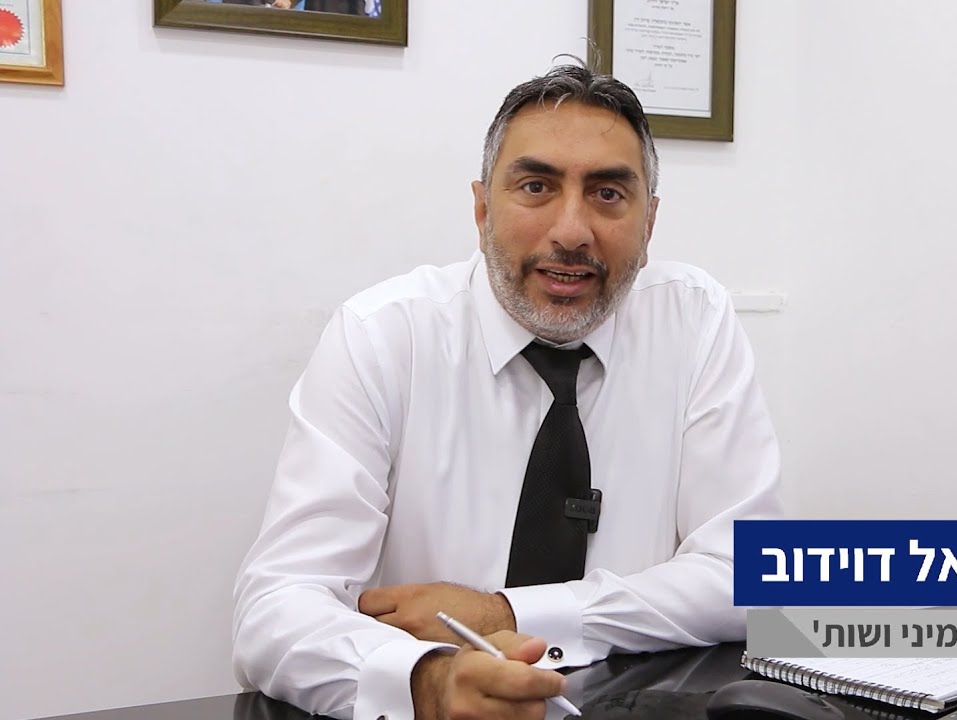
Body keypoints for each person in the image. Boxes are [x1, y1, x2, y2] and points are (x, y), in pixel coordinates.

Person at [231, 62, 783, 720]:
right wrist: (428, 682)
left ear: (650, 223)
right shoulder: (383, 336)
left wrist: (512, 613)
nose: (571, 231)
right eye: (536, 186)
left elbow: (752, 575)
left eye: (608, 193)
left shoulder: (693, 321)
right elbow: (275, 608)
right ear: (482, 207)